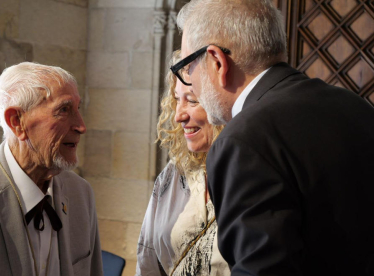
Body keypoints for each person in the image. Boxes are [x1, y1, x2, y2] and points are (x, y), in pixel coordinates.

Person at [173, 0, 374, 275]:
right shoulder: (356, 106)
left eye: (187, 68)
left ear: (217, 61)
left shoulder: (242, 141)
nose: (190, 80)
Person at [0, 62, 103, 276]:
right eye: (64, 110)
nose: (81, 126)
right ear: (17, 121)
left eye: (77, 109)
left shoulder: (81, 193)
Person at [136, 51, 229, 276]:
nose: (178, 115)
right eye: (177, 99)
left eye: (193, 100)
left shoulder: (256, 174)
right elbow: (147, 258)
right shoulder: (174, 174)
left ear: (225, 102)